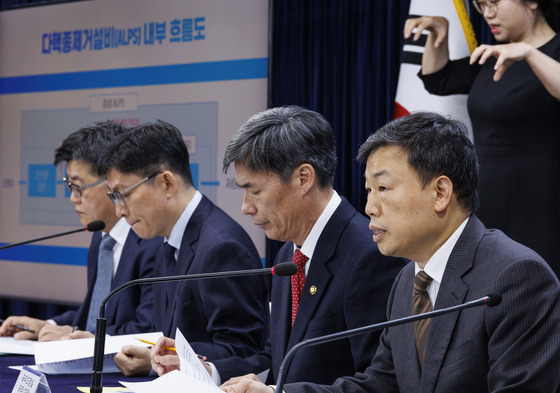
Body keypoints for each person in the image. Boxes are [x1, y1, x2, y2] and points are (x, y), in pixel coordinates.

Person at [222, 111, 560, 393]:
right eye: (369, 190)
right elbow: (378, 385)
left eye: (383, 188)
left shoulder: (516, 278)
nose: (370, 206)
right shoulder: (406, 282)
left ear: (440, 192)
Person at [150, 106, 406, 386]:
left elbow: (377, 382)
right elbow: (277, 358)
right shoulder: (290, 254)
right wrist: (207, 370)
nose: (246, 207)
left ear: (303, 178)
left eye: (255, 191)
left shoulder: (369, 256)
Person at [97, 120, 269, 377]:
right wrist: (157, 357)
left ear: (167, 183)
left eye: (124, 194)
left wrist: (176, 356)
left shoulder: (222, 248)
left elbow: (241, 352)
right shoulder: (167, 241)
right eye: (114, 197)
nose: (120, 210)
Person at [403, 0, 560, 278]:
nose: (487, 14)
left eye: (494, 3)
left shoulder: (550, 51)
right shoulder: (492, 55)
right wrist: (439, 33)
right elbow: (437, 79)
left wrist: (529, 53)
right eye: (481, 5)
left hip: (542, 201)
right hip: (486, 195)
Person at [0, 121, 161, 341]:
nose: (73, 198)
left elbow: (148, 330)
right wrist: (47, 325)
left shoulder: (152, 241)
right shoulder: (102, 238)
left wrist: (75, 336)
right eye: (69, 186)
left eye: (78, 187)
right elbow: (95, 315)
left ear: (113, 182)